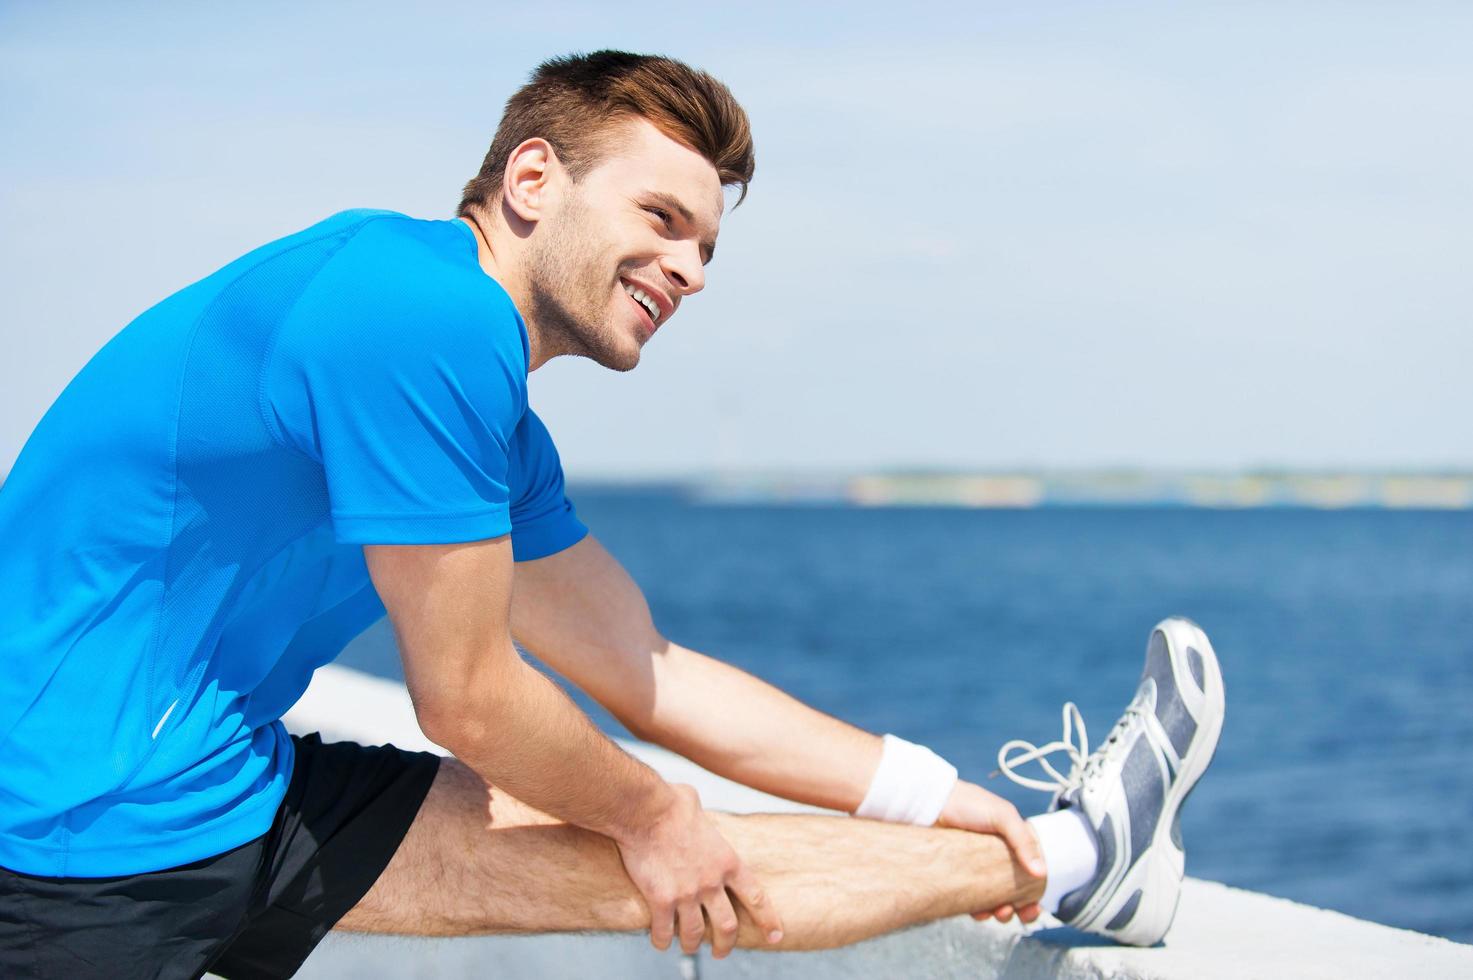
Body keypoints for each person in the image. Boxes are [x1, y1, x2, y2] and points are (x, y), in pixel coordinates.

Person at [0, 51, 1225, 979]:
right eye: (661, 218)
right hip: (60, 835)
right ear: (532, 178)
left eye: (706, 245)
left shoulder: (490, 421)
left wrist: (922, 787)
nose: (691, 268)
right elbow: (468, 697)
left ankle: (1075, 859)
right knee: (653, 839)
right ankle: (1077, 861)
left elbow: (651, 676)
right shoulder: (415, 321)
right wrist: (652, 812)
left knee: (655, 848)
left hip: (207, 781)